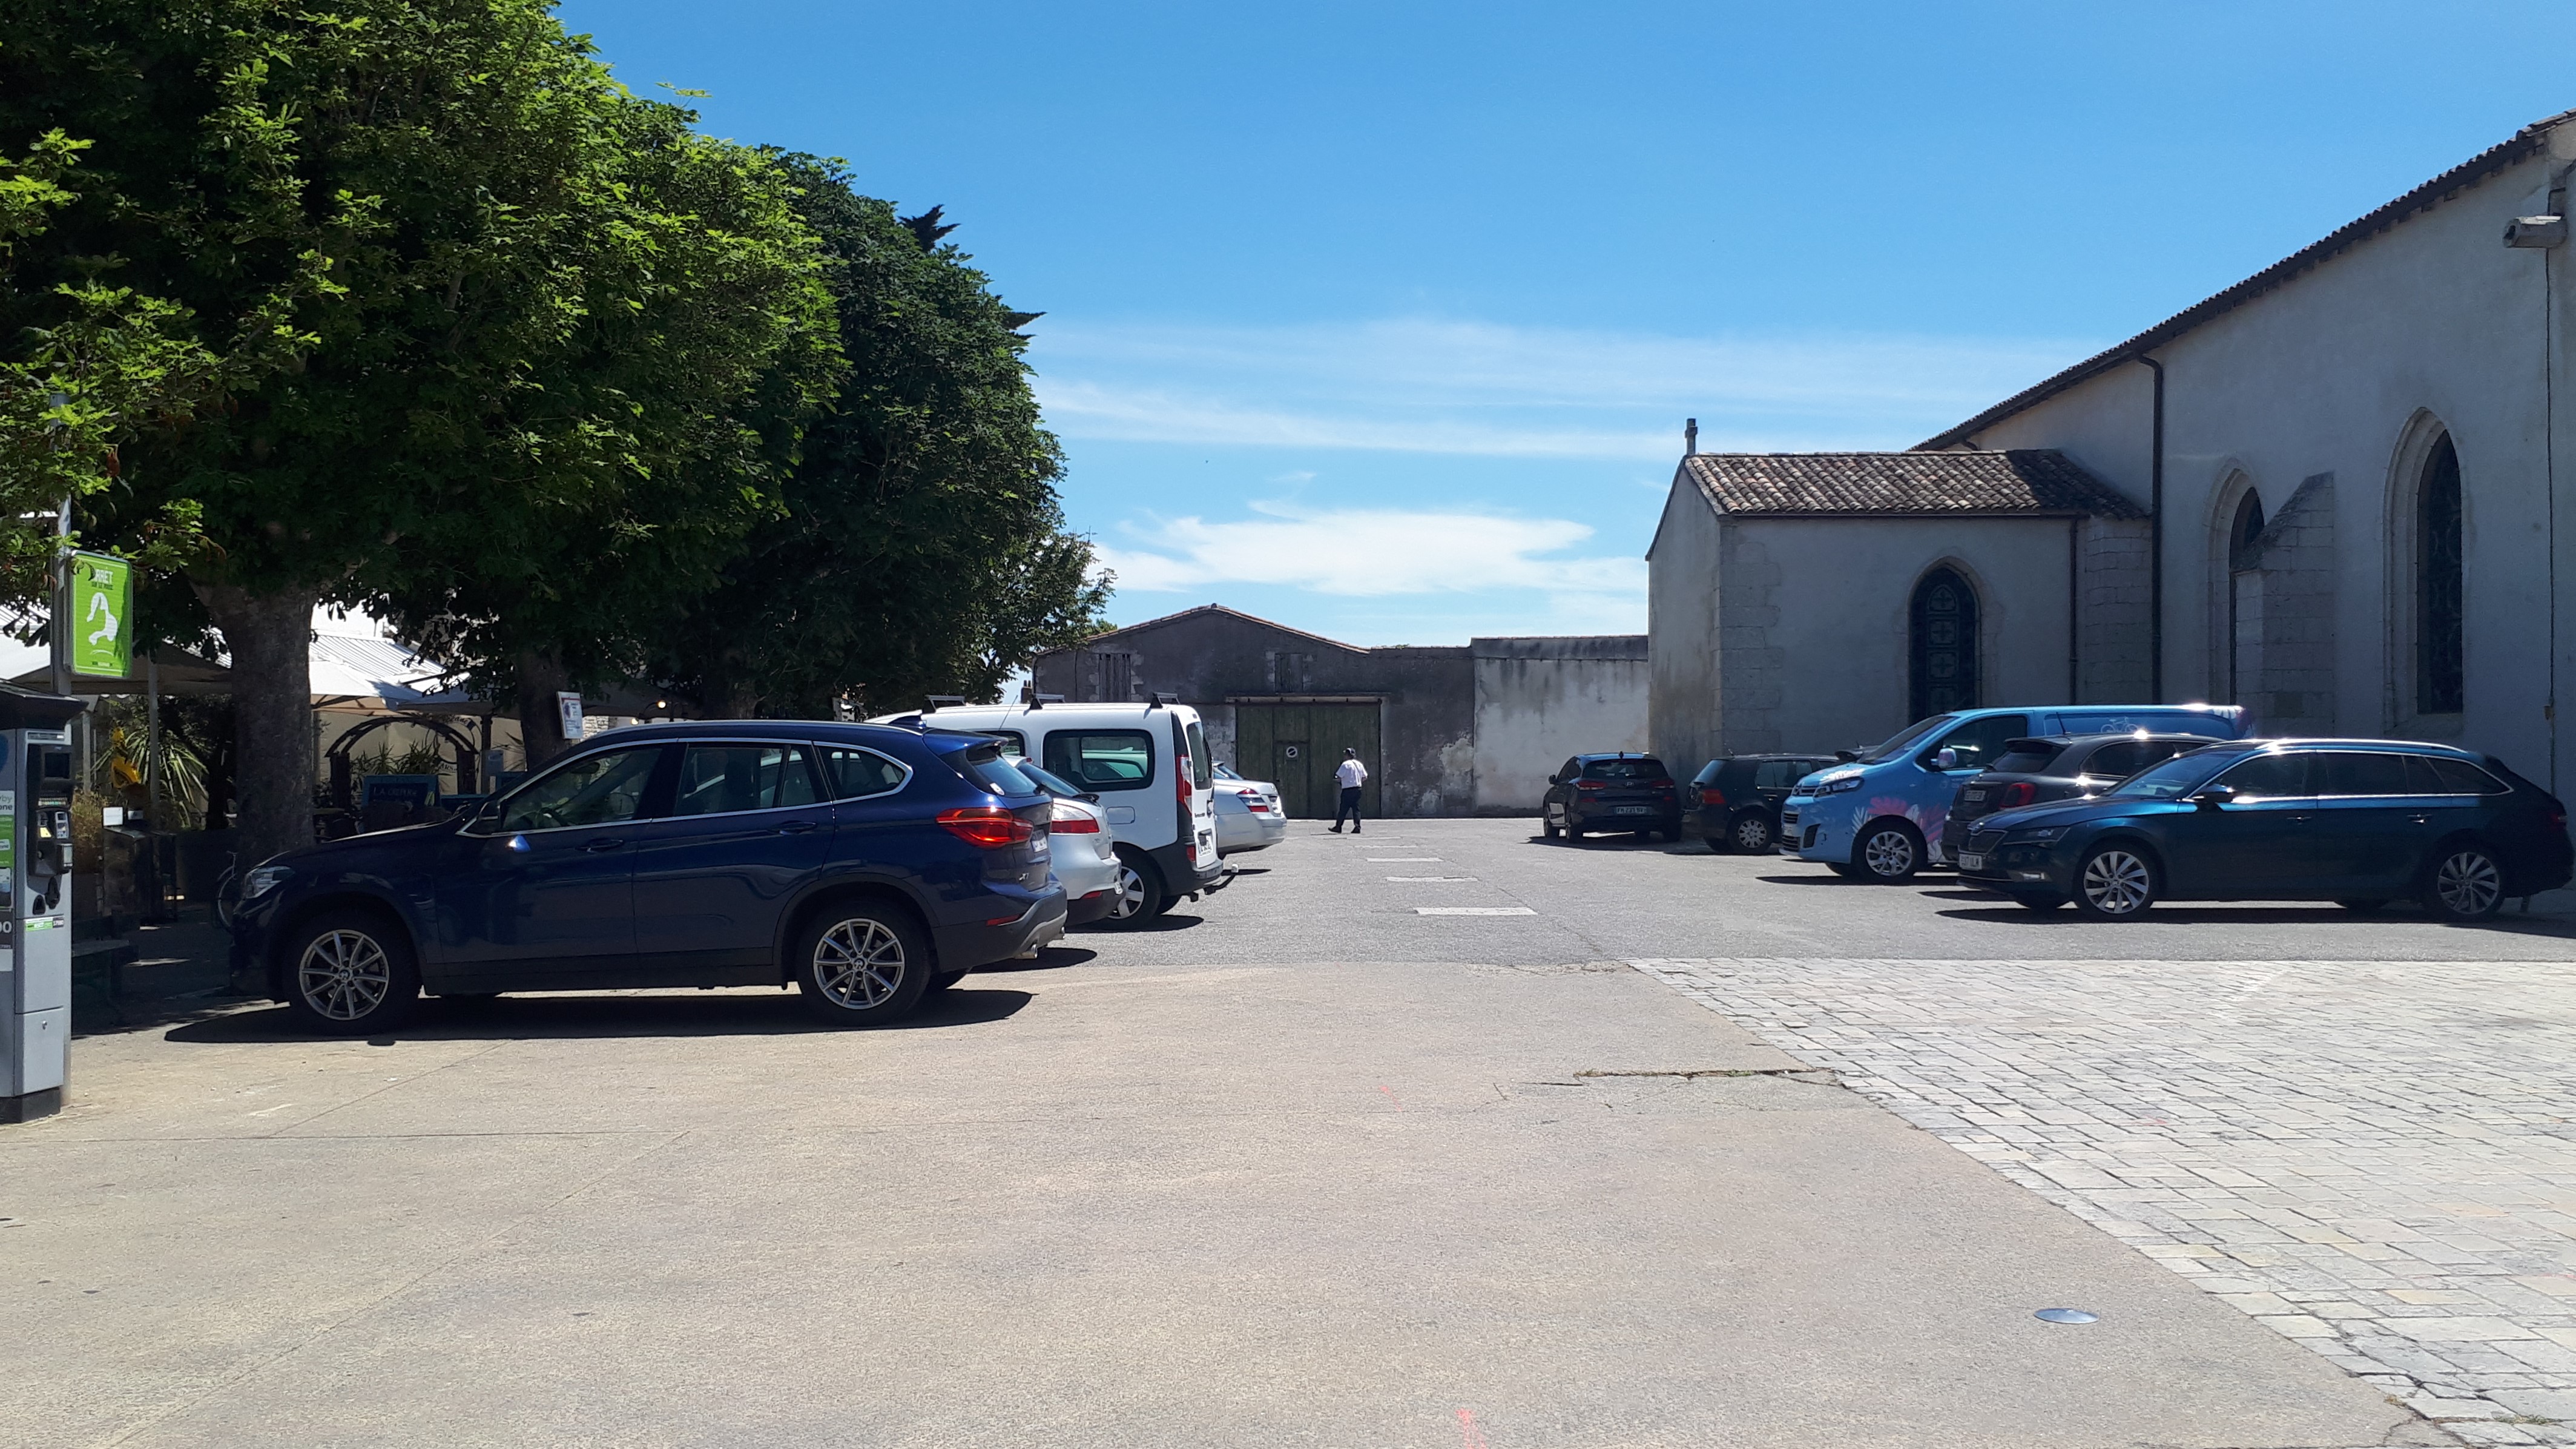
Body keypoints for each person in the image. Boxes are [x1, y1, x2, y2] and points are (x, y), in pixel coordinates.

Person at [1330, 747, 1367, 833]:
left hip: (1348, 789)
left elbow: (1339, 776)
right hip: (1358, 789)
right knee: (1356, 809)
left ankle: (1338, 827)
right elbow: (1365, 777)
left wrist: (1341, 780)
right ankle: (1357, 827)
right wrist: (1357, 781)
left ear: (1347, 755)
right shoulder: (1359, 764)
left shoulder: (1345, 764)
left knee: (1343, 809)